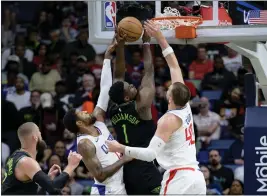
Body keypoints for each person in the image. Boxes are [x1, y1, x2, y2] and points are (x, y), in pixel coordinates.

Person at [106, 20, 206, 195]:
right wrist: (158, 39)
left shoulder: (166, 120)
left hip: (177, 177)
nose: (168, 86)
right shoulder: (186, 107)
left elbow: (151, 154)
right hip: (196, 177)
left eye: (169, 88)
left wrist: (120, 148)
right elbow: (173, 66)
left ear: (169, 97)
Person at [63, 35, 131, 195]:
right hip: (106, 190)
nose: (86, 112)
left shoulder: (98, 120)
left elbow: (106, 89)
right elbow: (99, 175)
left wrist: (107, 57)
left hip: (119, 185)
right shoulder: (84, 144)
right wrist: (125, 159)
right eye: (82, 113)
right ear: (79, 124)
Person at [108, 30, 162, 194]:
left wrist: (121, 45)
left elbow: (118, 74)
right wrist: (146, 44)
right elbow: (149, 72)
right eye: (130, 87)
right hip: (145, 168)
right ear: (126, 98)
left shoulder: (113, 107)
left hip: (127, 170)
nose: (133, 85)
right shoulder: (141, 106)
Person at [2, 122, 82, 195]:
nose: (41, 136)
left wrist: (47, 179)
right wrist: (71, 166)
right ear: (35, 137)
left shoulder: (14, 156)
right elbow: (54, 189)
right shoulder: (26, 161)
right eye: (39, 133)